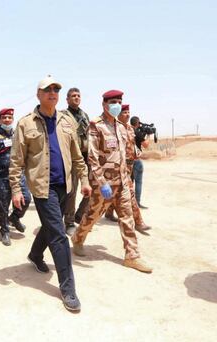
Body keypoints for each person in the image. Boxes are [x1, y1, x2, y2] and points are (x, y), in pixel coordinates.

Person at [9, 75, 92, 312]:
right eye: (47, 89)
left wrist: (84, 180)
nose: (52, 93)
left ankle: (35, 254)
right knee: (59, 235)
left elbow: (77, 156)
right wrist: (16, 188)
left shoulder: (67, 121)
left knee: (50, 224)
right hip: (42, 188)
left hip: (65, 186)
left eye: (56, 89)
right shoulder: (26, 124)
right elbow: (16, 160)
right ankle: (68, 288)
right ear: (38, 94)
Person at [71, 90, 152, 273]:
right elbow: (92, 157)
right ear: (104, 104)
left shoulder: (122, 127)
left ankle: (132, 256)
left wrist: (132, 168)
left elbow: (128, 154)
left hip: (122, 182)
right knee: (92, 215)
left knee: (127, 218)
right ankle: (78, 238)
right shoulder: (95, 126)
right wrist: (101, 182)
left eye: (119, 101)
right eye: (113, 101)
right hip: (104, 184)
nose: (116, 105)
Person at [104, 105, 151, 232]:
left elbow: (135, 145)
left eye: (128, 112)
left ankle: (110, 213)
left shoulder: (131, 129)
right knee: (127, 193)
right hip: (117, 167)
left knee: (121, 194)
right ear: (119, 114)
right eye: (124, 112)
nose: (127, 114)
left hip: (130, 165)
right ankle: (138, 222)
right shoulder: (114, 128)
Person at [0, 108, 31, 246]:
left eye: (9, 118)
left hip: (19, 174)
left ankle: (14, 217)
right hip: (1, 176)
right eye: (5, 118)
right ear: (0, 120)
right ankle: (5, 231)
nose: (7, 120)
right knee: (3, 205)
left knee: (26, 198)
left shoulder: (17, 135)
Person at [62, 87, 91, 236]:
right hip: (72, 157)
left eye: (78, 95)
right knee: (72, 191)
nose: (76, 98)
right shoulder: (63, 116)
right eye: (73, 96)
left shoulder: (84, 115)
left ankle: (80, 214)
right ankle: (69, 221)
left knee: (91, 187)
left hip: (86, 157)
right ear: (67, 99)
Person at [130, 115, 150, 209]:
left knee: (130, 183)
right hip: (136, 161)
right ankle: (137, 203)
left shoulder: (128, 131)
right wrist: (148, 135)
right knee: (138, 182)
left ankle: (129, 202)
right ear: (137, 123)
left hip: (129, 161)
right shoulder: (137, 133)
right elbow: (146, 145)